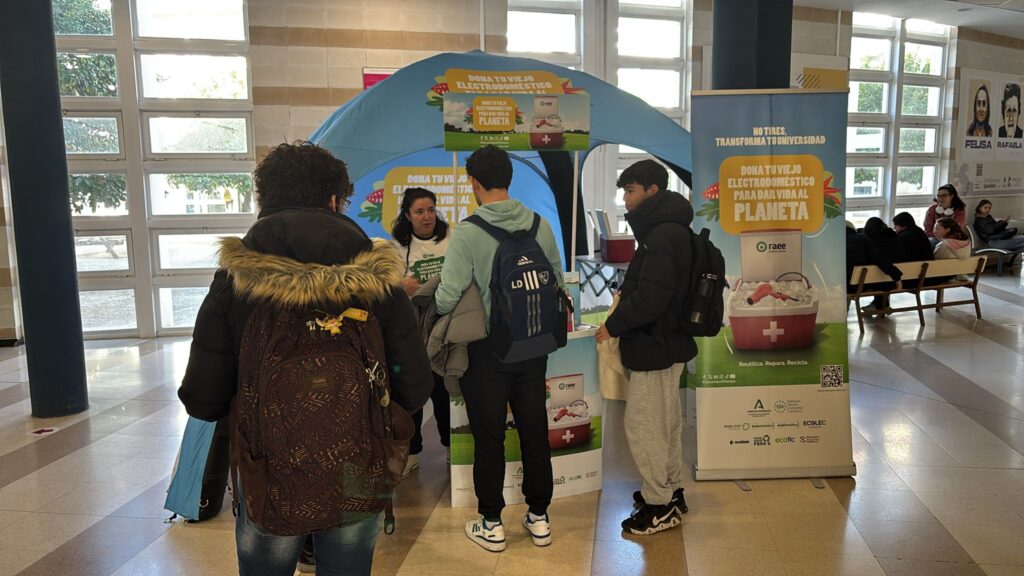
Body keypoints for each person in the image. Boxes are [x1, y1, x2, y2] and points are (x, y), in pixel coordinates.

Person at [178, 142, 432, 576]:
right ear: (333, 200)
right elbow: (414, 385)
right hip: (358, 464)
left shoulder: (233, 281)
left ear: (267, 199)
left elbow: (202, 398)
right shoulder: (378, 281)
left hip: (266, 467)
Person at [435, 145, 564, 552]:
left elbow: (448, 295)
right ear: (509, 178)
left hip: (488, 352)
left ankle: (491, 523)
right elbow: (557, 280)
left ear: (474, 182)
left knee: (488, 437)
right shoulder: (540, 224)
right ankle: (539, 518)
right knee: (534, 431)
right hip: (534, 345)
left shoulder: (468, 231)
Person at [595, 160, 694, 535]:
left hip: (655, 344)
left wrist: (612, 326)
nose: (625, 199)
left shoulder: (662, 235)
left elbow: (652, 298)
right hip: (667, 342)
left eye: (631, 190)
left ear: (653, 190)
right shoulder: (668, 229)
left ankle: (659, 505)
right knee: (664, 423)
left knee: (645, 425)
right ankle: (670, 490)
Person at [391, 187, 452, 476]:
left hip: (443, 325)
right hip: (411, 329)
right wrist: (399, 283)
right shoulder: (396, 246)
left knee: (443, 389)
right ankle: (412, 452)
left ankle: (452, 446)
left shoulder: (450, 238)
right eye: (419, 212)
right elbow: (383, 281)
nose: (427, 217)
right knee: (412, 389)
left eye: (431, 210)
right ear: (407, 215)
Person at [846, 222, 902, 306]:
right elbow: (880, 259)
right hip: (859, 285)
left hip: (838, 287)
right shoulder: (863, 239)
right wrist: (897, 277)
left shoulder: (831, 241)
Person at [862, 217, 908, 311]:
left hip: (881, 279)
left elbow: (878, 260)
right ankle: (883, 305)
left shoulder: (870, 240)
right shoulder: (894, 236)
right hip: (899, 277)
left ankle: (880, 306)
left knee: (876, 271)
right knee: (882, 271)